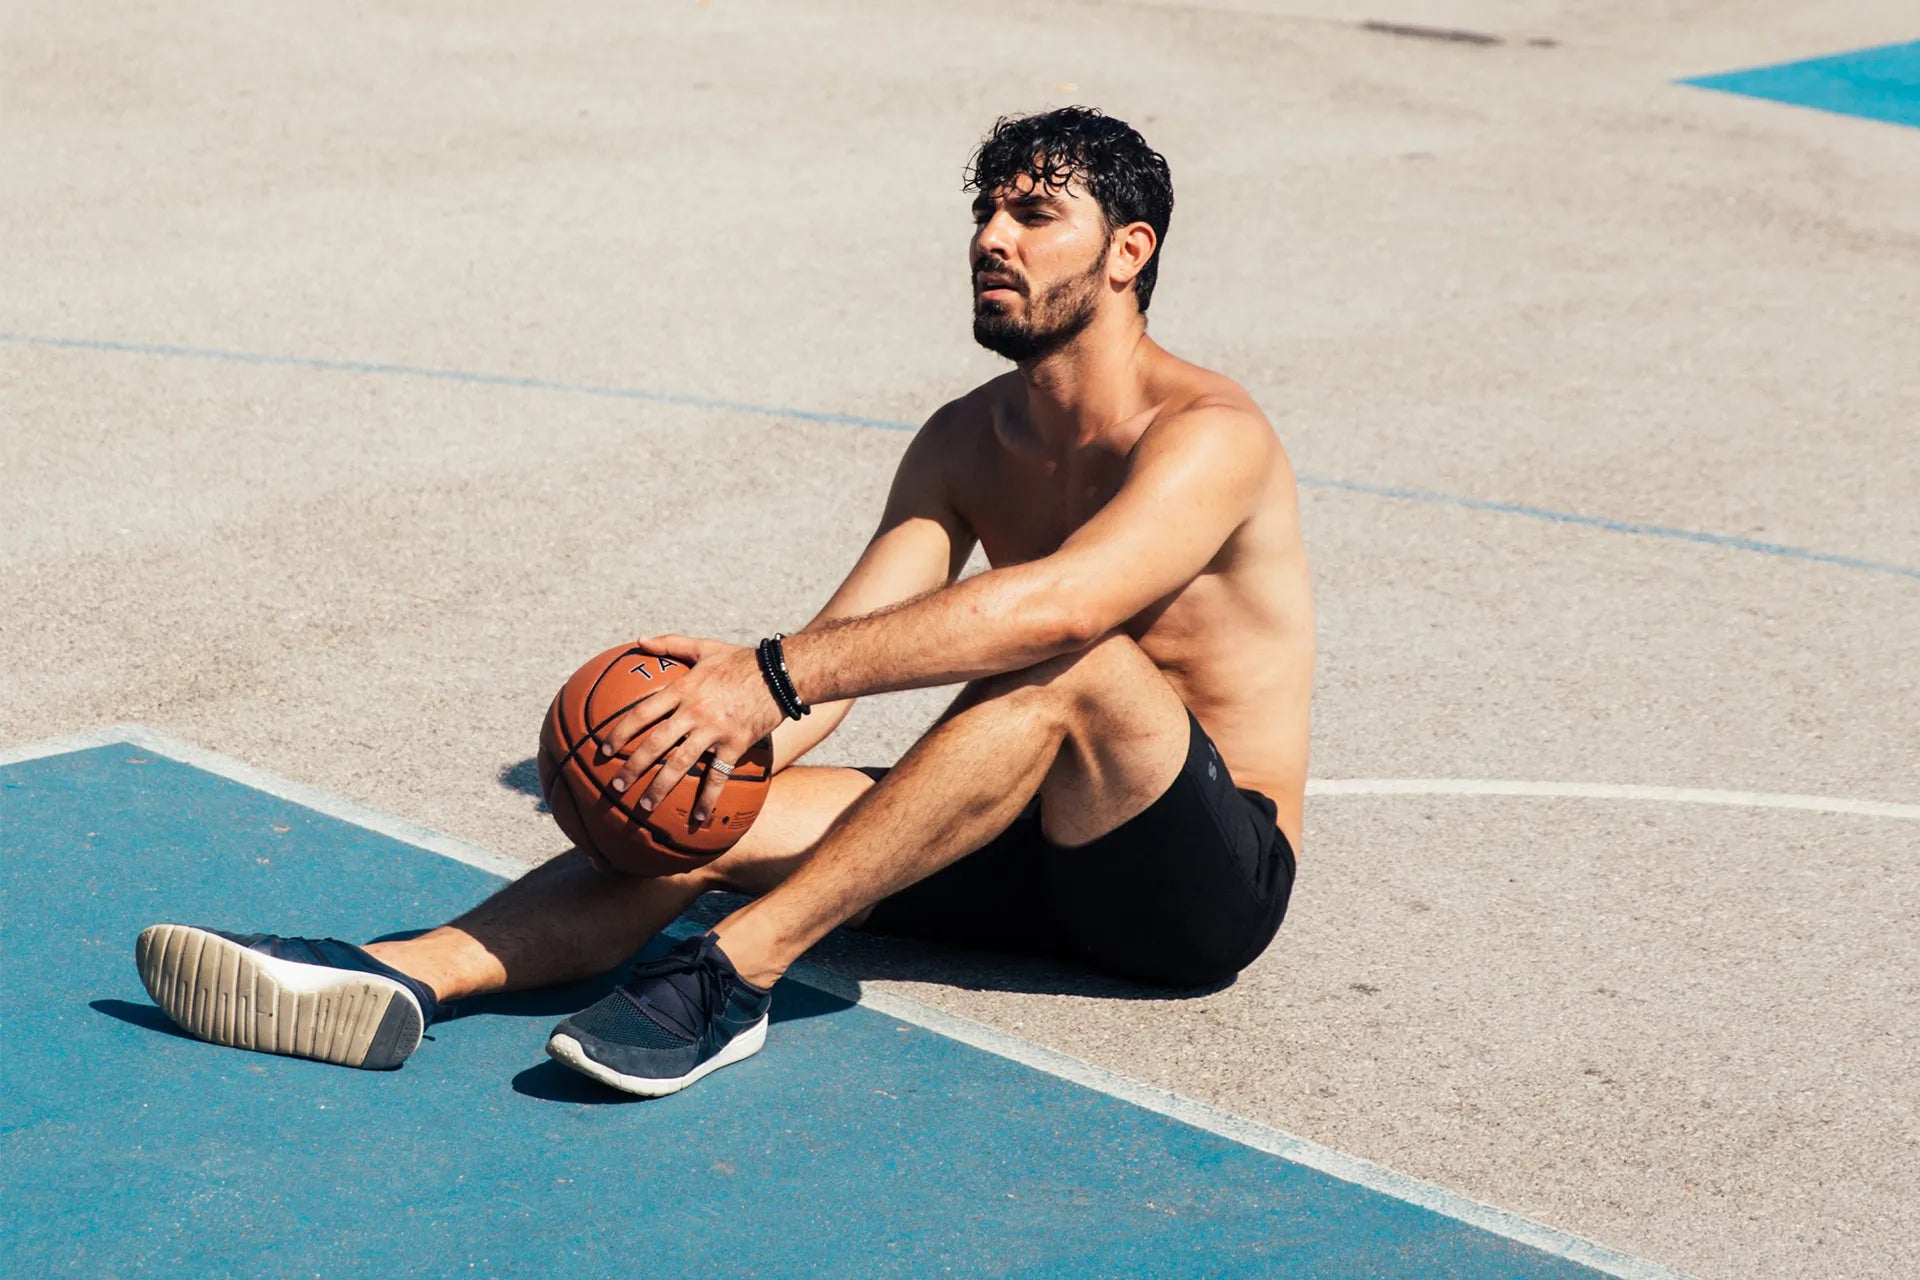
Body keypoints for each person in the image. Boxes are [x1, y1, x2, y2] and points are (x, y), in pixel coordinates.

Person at [135, 106, 1315, 1098]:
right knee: (707, 807)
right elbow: (830, 667)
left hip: (1194, 889)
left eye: (1033, 215)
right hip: (1022, 853)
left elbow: (1056, 609)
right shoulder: (964, 441)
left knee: (1075, 661)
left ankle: (732, 975)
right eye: (984, 213)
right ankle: (403, 971)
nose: (991, 239)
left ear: (1128, 252)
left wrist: (774, 671)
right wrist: (697, 743)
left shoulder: (1210, 435)